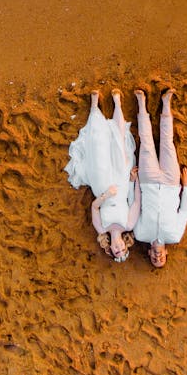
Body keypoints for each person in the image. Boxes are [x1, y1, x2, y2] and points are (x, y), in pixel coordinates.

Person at [65, 90, 141, 263]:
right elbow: (135, 201)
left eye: (117, 251)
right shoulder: (129, 225)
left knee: (99, 151)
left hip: (103, 189)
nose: (119, 248)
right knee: (119, 146)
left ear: (111, 251)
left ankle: (94, 107)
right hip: (121, 184)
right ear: (125, 244)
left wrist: (106, 195)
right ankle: (117, 102)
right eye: (122, 249)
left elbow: (94, 207)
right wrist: (132, 180)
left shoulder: (101, 228)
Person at [133, 87, 187, 267]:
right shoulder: (174, 236)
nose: (157, 257)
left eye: (154, 259)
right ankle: (166, 103)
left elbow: (134, 205)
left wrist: (133, 182)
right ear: (166, 252)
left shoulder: (140, 234)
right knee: (167, 142)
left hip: (148, 181)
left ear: (149, 252)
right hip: (171, 183)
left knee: (147, 142)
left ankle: (141, 104)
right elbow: (184, 211)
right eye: (161, 259)